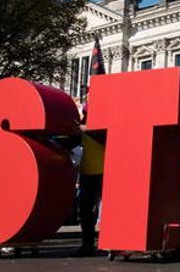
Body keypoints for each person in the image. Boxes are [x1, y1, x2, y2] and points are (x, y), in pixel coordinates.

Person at [75, 104, 105, 256]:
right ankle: (87, 244)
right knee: (85, 209)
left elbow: (103, 138)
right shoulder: (84, 126)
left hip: (104, 171)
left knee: (107, 210)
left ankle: (109, 242)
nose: (84, 117)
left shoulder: (101, 125)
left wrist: (84, 128)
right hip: (87, 172)